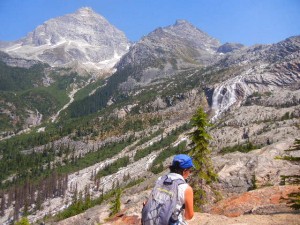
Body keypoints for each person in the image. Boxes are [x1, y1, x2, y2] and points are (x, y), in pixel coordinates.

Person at [142, 154, 194, 225]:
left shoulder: (160, 179)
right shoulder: (186, 188)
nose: (190, 173)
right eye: (190, 171)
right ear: (185, 171)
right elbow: (189, 216)